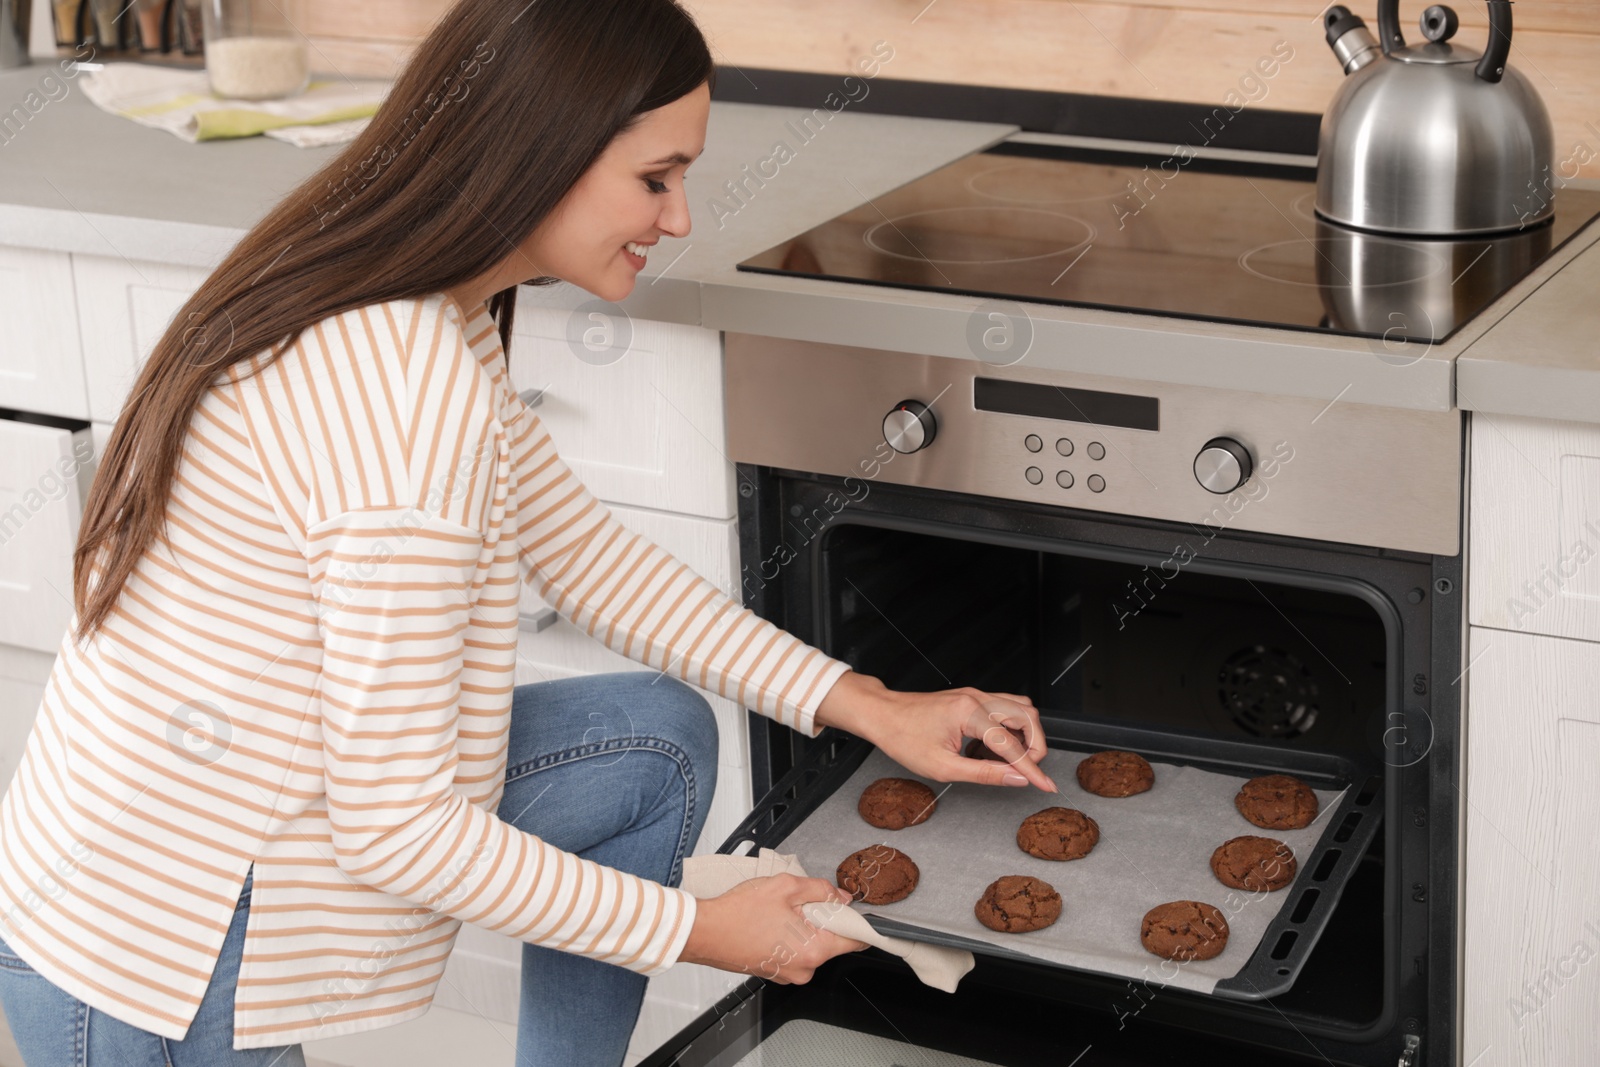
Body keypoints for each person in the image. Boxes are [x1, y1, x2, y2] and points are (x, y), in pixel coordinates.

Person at [0, 0, 1054, 1063]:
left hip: (243, 843)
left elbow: (591, 561)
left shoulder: (426, 301)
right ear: (537, 148)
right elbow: (398, 829)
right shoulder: (407, 391)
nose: (680, 218)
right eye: (657, 177)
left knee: (653, 740)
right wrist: (693, 929)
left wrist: (873, 704)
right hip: (150, 962)